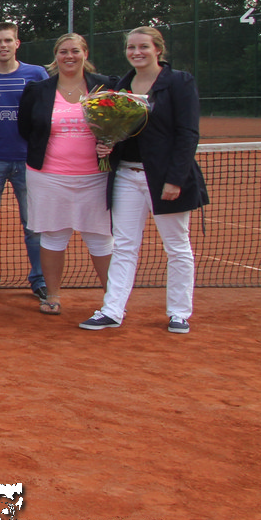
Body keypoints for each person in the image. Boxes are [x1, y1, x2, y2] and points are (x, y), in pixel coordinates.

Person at [80, 27, 208, 334]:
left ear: (158, 50)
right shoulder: (120, 86)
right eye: (131, 47)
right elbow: (118, 131)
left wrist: (175, 179)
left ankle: (179, 312)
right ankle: (112, 310)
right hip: (126, 175)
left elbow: (188, 133)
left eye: (143, 47)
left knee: (177, 246)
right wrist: (107, 144)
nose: (136, 52)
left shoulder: (179, 82)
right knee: (124, 245)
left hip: (164, 178)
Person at [17, 34, 115, 318]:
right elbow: (26, 128)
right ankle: (53, 296)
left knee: (101, 239)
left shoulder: (106, 86)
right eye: (63, 51)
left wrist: (112, 145)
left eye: (75, 51)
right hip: (48, 176)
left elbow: (121, 123)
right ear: (56, 56)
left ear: (85, 53)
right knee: (53, 236)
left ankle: (114, 300)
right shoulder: (38, 89)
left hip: (96, 176)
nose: (69, 56)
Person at [0, 22, 49, 300]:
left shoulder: (37, 74)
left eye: (7, 40)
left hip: (30, 163)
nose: (3, 45)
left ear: (17, 43)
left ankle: (41, 279)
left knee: (35, 226)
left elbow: (48, 113)